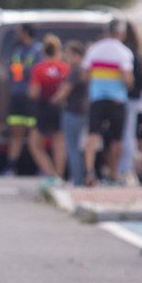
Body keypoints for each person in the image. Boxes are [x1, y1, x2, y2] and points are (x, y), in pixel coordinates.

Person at [82, 19, 133, 186]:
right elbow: (128, 79)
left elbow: (84, 75)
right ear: (122, 33)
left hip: (97, 98)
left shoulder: (94, 49)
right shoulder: (123, 52)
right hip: (117, 99)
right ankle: (113, 174)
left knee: (93, 135)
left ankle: (89, 171)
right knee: (117, 139)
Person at [27, 34, 69, 189]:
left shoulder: (39, 69)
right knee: (59, 142)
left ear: (43, 51)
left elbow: (34, 93)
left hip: (44, 108)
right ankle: (59, 175)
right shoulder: (65, 67)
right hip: (61, 108)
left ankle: (51, 175)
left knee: (35, 144)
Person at [3, 23, 42, 175]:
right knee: (16, 133)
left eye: (19, 31)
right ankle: (11, 167)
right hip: (16, 95)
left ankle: (40, 167)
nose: (16, 34)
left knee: (34, 133)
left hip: (31, 96)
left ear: (26, 33)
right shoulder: (17, 50)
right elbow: (11, 72)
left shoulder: (38, 49)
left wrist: (22, 71)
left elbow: (36, 71)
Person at [52, 40, 89, 185]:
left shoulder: (76, 70)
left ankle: (77, 180)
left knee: (73, 148)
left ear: (75, 55)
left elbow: (64, 93)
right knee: (81, 148)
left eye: (68, 55)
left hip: (73, 111)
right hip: (85, 111)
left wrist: (54, 99)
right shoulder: (86, 70)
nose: (66, 59)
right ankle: (81, 178)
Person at [118, 22, 142, 186]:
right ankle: (127, 169)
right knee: (130, 135)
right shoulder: (137, 53)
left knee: (127, 135)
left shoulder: (127, 53)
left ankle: (126, 169)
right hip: (136, 99)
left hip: (129, 98)